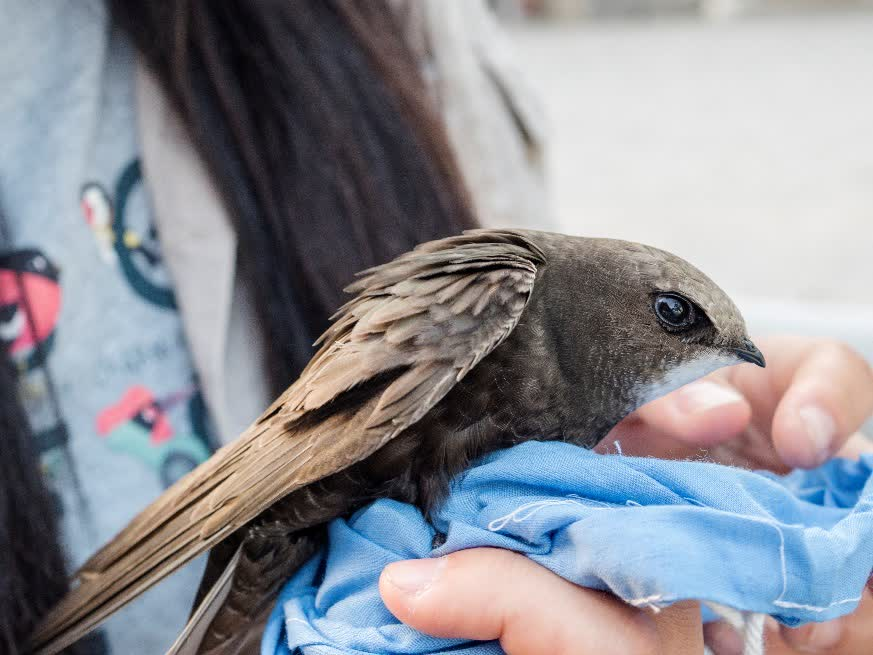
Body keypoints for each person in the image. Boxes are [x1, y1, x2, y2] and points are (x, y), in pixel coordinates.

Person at [0, 2, 870, 654]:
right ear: (605, 296)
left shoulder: (401, 28)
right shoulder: (505, 288)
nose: (696, 351)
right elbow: (293, 450)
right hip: (279, 513)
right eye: (674, 322)